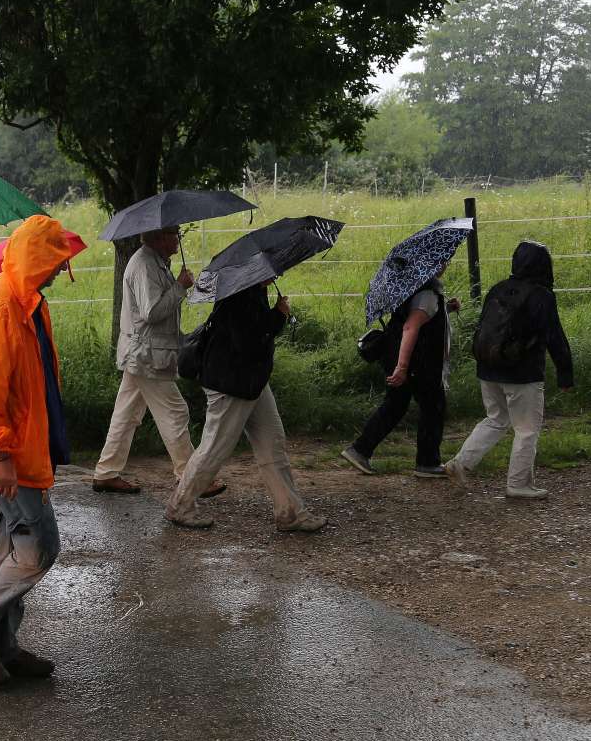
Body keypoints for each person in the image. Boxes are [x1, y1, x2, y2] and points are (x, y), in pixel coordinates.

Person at [0, 216, 81, 685]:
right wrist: (0, 455)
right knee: (39, 546)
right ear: (34, 258)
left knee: (9, 542)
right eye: (53, 262)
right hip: (4, 450)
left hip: (19, 443)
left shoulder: (25, 300)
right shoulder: (2, 306)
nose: (57, 272)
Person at [166, 283, 327, 533]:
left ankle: (290, 512)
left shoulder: (251, 289)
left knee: (272, 442)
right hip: (231, 383)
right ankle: (180, 506)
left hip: (251, 381)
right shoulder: (241, 293)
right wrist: (278, 316)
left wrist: (273, 314)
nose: (278, 273)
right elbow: (247, 341)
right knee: (214, 449)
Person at [444, 241, 574, 499]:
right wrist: (565, 373)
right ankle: (518, 484)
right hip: (523, 373)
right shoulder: (542, 296)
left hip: (488, 368)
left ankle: (460, 463)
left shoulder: (497, 289)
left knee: (496, 419)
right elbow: (554, 336)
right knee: (526, 429)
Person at [92, 224, 206, 495]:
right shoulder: (144, 265)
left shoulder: (156, 263)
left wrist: (177, 285)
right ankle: (190, 476)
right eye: (173, 234)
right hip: (146, 355)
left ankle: (106, 472)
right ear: (158, 237)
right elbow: (151, 312)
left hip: (145, 352)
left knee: (127, 414)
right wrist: (179, 287)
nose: (178, 239)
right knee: (175, 411)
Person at [341, 270, 459, 478]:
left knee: (395, 405)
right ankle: (427, 463)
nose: (445, 265)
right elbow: (411, 327)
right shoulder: (428, 294)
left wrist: (446, 309)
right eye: (442, 262)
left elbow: (420, 318)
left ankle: (360, 450)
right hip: (418, 363)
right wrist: (402, 367)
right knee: (433, 407)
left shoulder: (410, 288)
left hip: (397, 355)